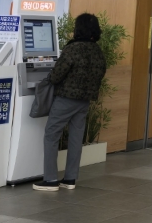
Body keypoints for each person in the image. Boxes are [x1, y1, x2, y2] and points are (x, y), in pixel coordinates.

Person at [34, 13, 106, 192]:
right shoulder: (97, 51)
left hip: (66, 99)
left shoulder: (73, 49)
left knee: (51, 135)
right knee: (76, 138)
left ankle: (50, 179)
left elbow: (56, 75)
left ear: (78, 29)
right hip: (84, 101)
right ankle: (70, 178)